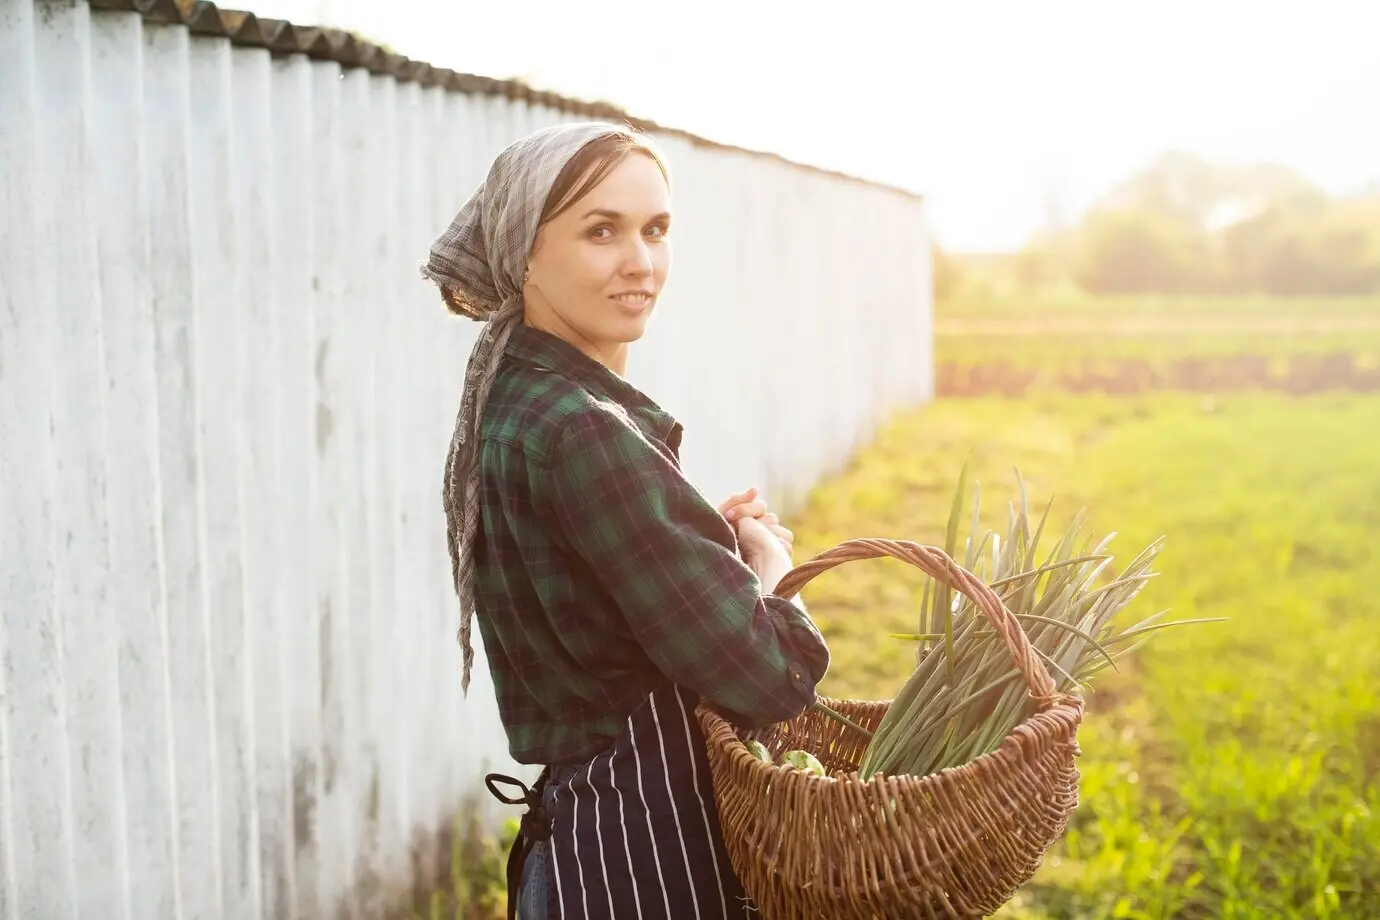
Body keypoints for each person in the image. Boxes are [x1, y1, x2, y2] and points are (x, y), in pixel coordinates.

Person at [421, 121, 831, 919]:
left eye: (656, 229)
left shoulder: (517, 398)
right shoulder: (584, 429)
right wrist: (769, 565)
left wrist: (691, 540)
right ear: (524, 252)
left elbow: (579, 586)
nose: (640, 262)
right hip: (641, 856)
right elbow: (772, 678)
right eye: (600, 231)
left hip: (585, 843)